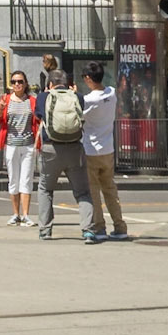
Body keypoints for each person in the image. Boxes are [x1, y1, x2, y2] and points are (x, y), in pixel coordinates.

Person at [36, 70, 97, 242]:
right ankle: (88, 230)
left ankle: (45, 230)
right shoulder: (77, 97)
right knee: (83, 191)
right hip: (74, 149)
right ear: (67, 82)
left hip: (51, 149)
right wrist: (74, 92)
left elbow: (39, 116)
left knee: (45, 189)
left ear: (50, 84)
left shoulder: (43, 97)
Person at [79, 60, 126, 241]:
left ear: (89, 78)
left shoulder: (88, 100)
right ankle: (120, 226)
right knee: (110, 189)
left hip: (91, 149)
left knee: (93, 192)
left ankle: (99, 228)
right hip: (108, 148)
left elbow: (79, 115)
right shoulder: (112, 93)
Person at [0, 70, 38, 225]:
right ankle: (15, 214)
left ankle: (26, 214)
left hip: (28, 145)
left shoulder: (32, 101)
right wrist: (0, 108)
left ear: (25, 84)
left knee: (26, 179)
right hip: (11, 145)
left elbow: (37, 120)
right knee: (13, 179)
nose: (17, 84)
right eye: (14, 82)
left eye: (20, 81)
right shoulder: (6, 99)